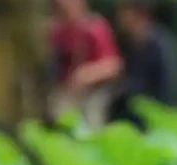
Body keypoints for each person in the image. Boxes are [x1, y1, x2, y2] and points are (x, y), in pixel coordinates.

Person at [49, 0, 122, 128]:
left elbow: (113, 65)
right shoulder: (57, 31)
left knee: (93, 117)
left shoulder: (95, 27)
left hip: (94, 92)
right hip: (66, 90)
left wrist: (87, 74)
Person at [111, 0, 176, 124]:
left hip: (150, 118)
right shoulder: (125, 43)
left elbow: (164, 90)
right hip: (126, 119)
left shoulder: (158, 46)